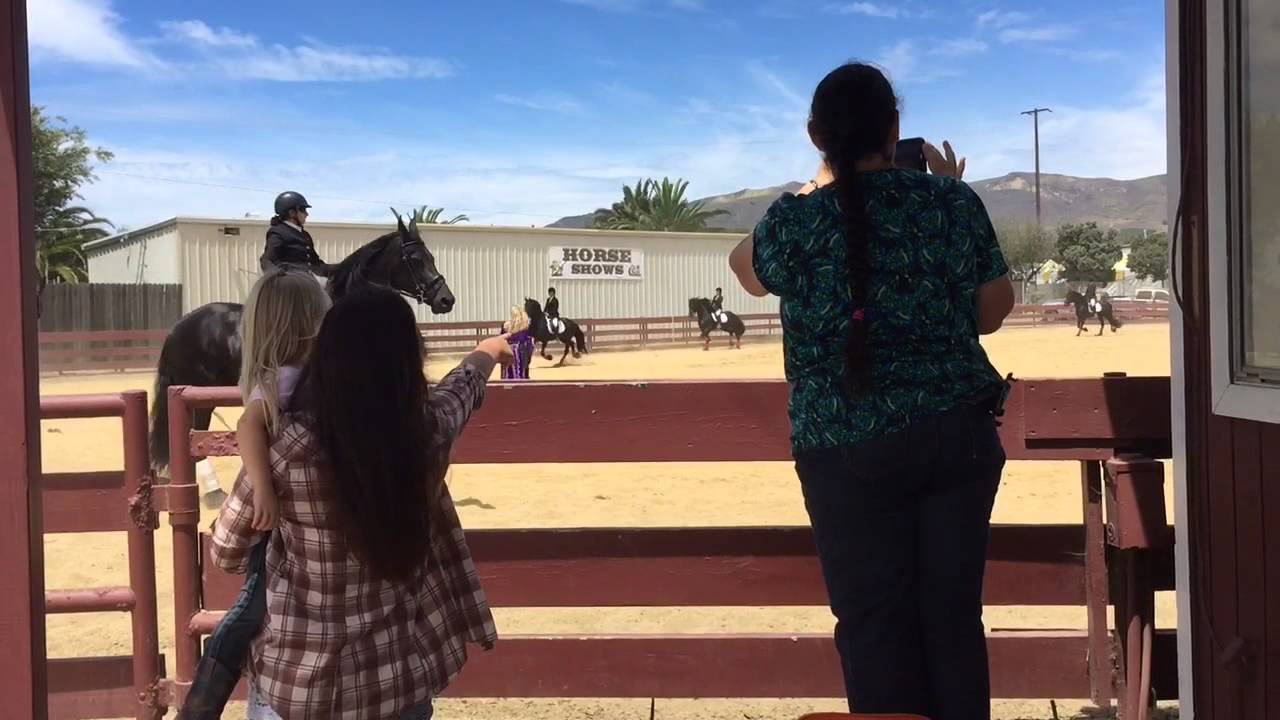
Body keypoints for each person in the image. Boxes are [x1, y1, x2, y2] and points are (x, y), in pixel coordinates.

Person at [728, 63, 1015, 720]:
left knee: (872, 625)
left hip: (841, 445)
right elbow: (992, 311)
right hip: (953, 436)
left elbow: (744, 269)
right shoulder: (951, 203)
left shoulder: (796, 222)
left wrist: (817, 182)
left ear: (816, 136)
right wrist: (946, 197)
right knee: (951, 619)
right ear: (895, 128)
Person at [209, 286, 510, 719]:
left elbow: (226, 551)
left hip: (302, 688)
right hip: (398, 685)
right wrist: (487, 352)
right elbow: (461, 389)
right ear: (409, 360)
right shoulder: (428, 433)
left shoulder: (286, 448)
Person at [178, 269, 330, 720]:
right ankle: (200, 707)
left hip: (286, 527)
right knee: (245, 612)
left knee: (247, 612)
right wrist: (262, 487)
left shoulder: (294, 378)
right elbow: (248, 424)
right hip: (281, 529)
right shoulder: (284, 380)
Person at [260, 190, 332, 276]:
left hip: (309, 278)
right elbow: (267, 260)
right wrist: (279, 276)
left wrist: (339, 269)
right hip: (292, 280)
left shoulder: (305, 234)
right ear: (292, 213)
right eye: (303, 210)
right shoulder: (278, 232)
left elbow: (315, 262)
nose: (307, 214)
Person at [501, 305, 535, 380]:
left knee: (509, 373)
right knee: (523, 371)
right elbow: (531, 342)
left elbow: (502, 340)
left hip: (509, 351)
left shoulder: (506, 325)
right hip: (522, 350)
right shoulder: (526, 325)